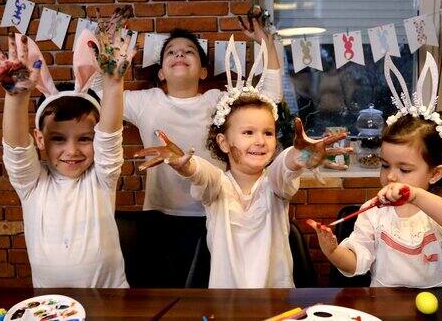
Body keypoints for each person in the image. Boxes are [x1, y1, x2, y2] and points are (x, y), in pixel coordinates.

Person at [134, 39, 347, 287]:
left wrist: (299, 157)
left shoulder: (275, 186)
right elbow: (205, 174)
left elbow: (284, 167)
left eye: (267, 133)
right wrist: (187, 166)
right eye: (248, 133)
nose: (260, 141)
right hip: (227, 304)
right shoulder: (218, 187)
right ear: (224, 143)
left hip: (276, 302)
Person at [0, 8, 135, 287]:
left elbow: (110, 136)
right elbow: (16, 150)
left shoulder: (102, 177)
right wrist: (16, 97)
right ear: (40, 140)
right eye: (58, 139)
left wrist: (114, 84)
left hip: (112, 301)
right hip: (50, 307)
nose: (72, 150)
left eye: (85, 139)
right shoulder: (31, 183)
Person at [307, 53, 442, 288]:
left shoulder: (439, 208)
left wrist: (417, 196)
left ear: (435, 173)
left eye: (405, 169)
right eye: (385, 165)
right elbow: (357, 262)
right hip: (385, 304)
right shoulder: (373, 211)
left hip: (441, 302)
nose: (391, 176)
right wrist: (334, 252)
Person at [109, 15, 283, 217]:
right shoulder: (145, 101)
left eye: (189, 51)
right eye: (171, 52)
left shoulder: (218, 100)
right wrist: (108, 53)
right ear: (161, 73)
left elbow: (270, 96)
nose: (180, 54)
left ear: (202, 72)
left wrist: (266, 42)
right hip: (159, 215)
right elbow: (102, 98)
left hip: (215, 212)